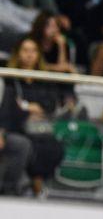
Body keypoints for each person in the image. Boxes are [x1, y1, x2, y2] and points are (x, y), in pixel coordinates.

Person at [6, 37, 64, 196]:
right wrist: (28, 110)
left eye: (33, 51)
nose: (29, 54)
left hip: (39, 127)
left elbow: (50, 104)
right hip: (15, 125)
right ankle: (34, 186)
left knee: (54, 147)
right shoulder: (10, 78)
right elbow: (9, 106)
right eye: (25, 50)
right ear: (18, 54)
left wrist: (28, 106)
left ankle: (36, 183)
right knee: (27, 144)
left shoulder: (44, 79)